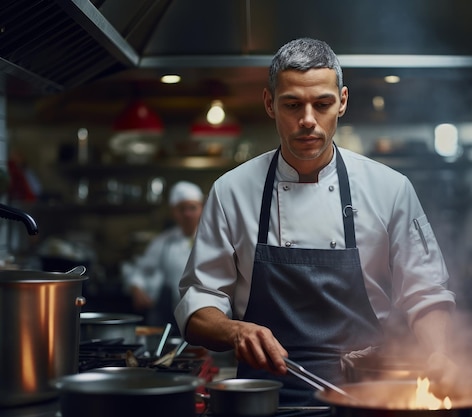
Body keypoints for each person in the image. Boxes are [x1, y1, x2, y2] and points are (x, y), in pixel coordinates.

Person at [175, 38, 456, 405]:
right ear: (269, 104)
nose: (307, 120)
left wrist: (440, 352)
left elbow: (427, 293)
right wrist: (232, 330)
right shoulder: (231, 191)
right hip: (264, 401)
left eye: (321, 104)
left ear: (341, 101)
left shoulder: (390, 189)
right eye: (292, 104)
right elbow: (198, 304)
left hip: (366, 397)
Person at [125, 181, 204, 328]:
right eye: (182, 209)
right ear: (173, 212)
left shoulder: (213, 239)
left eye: (192, 208)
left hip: (206, 314)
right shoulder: (163, 241)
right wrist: (136, 288)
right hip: (171, 316)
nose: (187, 214)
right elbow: (140, 270)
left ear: (202, 208)